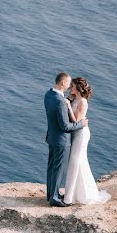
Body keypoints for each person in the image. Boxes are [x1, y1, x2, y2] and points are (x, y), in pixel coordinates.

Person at [63, 77, 111, 205]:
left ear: (78, 88)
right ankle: (73, 194)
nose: (70, 88)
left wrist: (68, 107)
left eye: (72, 86)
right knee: (77, 162)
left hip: (81, 134)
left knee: (75, 161)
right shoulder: (75, 99)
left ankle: (72, 196)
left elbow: (77, 121)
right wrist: (69, 101)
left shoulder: (82, 102)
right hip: (75, 133)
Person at [44, 72, 87, 206]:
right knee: (58, 169)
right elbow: (64, 126)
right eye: (68, 84)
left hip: (51, 137)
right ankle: (55, 198)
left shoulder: (49, 94)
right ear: (63, 83)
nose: (69, 87)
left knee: (51, 167)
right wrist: (81, 124)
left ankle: (50, 194)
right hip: (61, 140)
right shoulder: (60, 101)